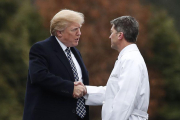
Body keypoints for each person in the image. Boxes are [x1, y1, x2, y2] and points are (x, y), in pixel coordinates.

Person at [76, 16, 150, 120]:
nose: (110, 36)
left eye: (112, 32)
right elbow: (112, 93)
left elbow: (125, 101)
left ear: (120, 35)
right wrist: (85, 90)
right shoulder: (127, 58)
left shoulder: (131, 60)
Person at [23, 9, 89, 120]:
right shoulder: (41, 49)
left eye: (80, 29)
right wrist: (70, 88)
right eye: (74, 29)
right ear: (59, 32)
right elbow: (39, 76)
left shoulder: (76, 52)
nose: (79, 33)